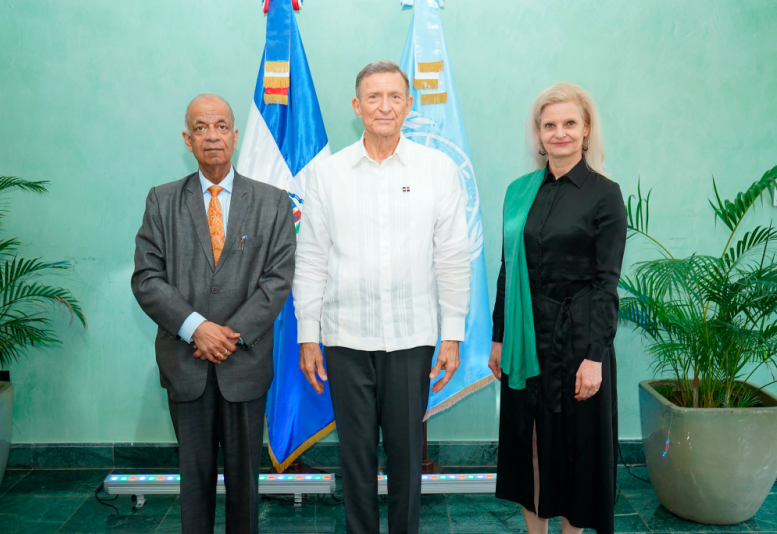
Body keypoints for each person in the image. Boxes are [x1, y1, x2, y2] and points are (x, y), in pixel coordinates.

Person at [293, 60, 471, 534]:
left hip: (411, 339)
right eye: (374, 97)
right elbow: (310, 260)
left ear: (408, 105)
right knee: (355, 458)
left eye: (394, 96)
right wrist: (308, 335)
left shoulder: (437, 170)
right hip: (345, 339)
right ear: (357, 106)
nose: (384, 106)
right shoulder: (327, 175)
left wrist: (452, 334)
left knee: (407, 457)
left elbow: (452, 257)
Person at [131, 93, 296, 534]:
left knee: (245, 487)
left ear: (235, 136)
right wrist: (196, 328)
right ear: (187, 139)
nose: (212, 136)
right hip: (186, 365)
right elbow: (147, 279)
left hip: (245, 365)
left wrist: (230, 334)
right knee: (194, 483)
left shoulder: (273, 202)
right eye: (201, 128)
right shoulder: (162, 201)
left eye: (221, 126)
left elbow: (278, 280)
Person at [488, 82, 626, 534]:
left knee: (573, 452)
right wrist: (498, 338)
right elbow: (508, 270)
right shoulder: (519, 192)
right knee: (527, 444)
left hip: (578, 341)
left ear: (586, 130)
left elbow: (606, 283)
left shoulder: (605, 194)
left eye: (569, 123)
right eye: (550, 125)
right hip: (525, 338)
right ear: (539, 133)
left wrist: (594, 356)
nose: (559, 133)